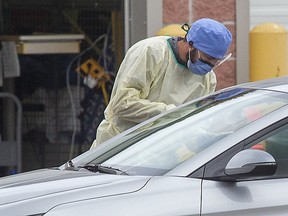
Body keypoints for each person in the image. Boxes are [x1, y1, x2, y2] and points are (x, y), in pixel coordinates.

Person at [90, 18, 232, 148]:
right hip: (119, 148)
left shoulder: (207, 79)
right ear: (191, 44)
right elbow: (122, 104)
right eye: (207, 57)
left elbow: (195, 125)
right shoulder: (151, 52)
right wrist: (172, 113)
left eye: (216, 61)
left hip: (161, 155)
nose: (210, 65)